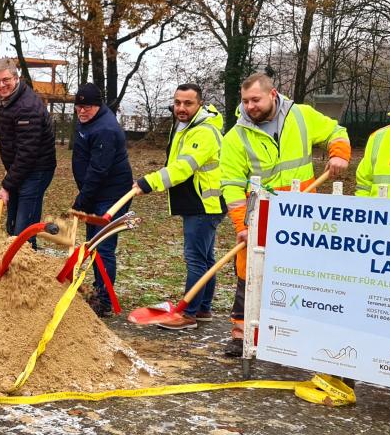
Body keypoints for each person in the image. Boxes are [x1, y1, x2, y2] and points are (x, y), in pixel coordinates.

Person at [219, 73, 350, 357]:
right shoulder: (235, 137)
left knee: (301, 271)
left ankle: (296, 332)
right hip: (260, 214)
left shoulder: (302, 116)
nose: (250, 106)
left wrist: (339, 153)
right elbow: (230, 185)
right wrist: (242, 224)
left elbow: (336, 132)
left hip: (303, 213)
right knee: (248, 270)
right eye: (245, 101)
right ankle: (241, 334)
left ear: (273, 94)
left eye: (256, 99)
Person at [132, 83, 225, 330]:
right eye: (177, 103)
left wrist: (148, 182)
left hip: (204, 203)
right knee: (205, 259)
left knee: (196, 259)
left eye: (188, 103)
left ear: (200, 104)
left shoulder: (203, 131)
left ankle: (189, 314)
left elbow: (182, 168)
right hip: (201, 202)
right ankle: (203, 309)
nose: (181, 108)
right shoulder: (186, 126)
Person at [71, 83, 133, 317]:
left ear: (97, 105)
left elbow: (98, 170)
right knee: (93, 244)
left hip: (110, 196)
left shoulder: (106, 129)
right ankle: (97, 290)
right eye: (78, 106)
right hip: (95, 193)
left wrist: (82, 200)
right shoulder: (88, 121)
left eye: (86, 106)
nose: (81, 111)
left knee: (102, 246)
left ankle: (104, 300)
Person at [0, 58, 56, 246]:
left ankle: (27, 270)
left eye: (6, 80)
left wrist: (7, 185)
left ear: (16, 77)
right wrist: (10, 176)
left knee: (23, 230)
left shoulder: (27, 107)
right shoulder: (7, 100)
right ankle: (15, 264)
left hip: (36, 170)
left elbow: (27, 153)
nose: (1, 85)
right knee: (13, 226)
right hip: (21, 170)